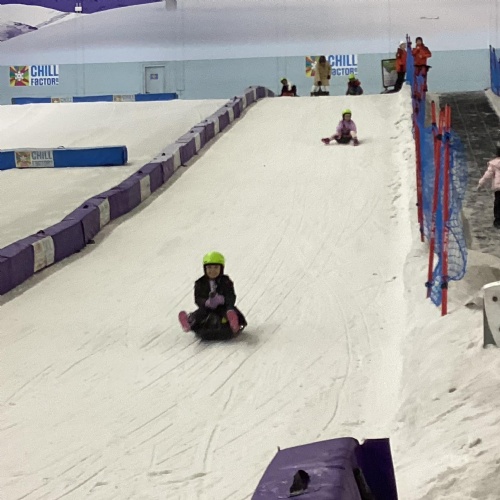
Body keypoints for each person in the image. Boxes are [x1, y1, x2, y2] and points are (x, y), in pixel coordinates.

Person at [178, 251, 247, 334]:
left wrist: (222, 300)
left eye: (216, 267)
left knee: (228, 311)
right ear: (205, 269)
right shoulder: (200, 282)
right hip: (207, 308)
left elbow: (231, 296)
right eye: (209, 267)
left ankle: (234, 323)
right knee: (200, 313)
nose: (212, 270)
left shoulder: (226, 281)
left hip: (223, 307)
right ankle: (189, 322)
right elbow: (198, 298)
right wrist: (206, 302)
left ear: (221, 268)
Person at [477, 143, 500, 228]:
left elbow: (487, 175)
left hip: (498, 188)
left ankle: (498, 220)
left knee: (498, 204)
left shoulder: (494, 164)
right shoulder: (494, 165)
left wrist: (481, 183)